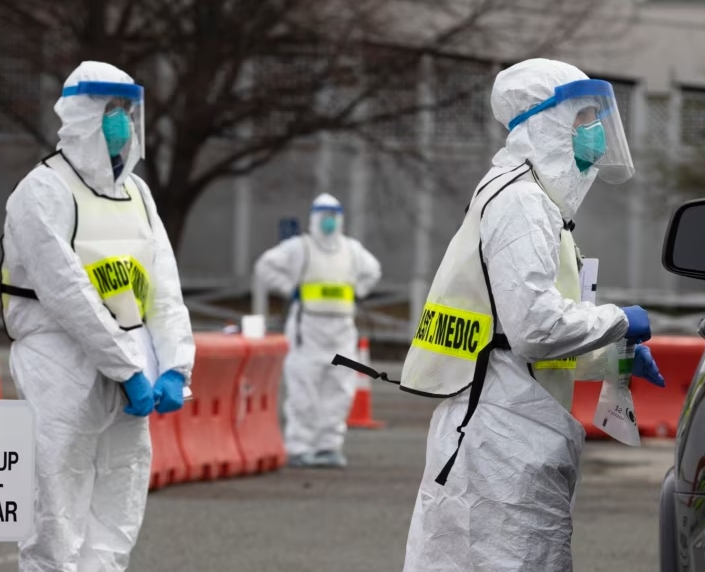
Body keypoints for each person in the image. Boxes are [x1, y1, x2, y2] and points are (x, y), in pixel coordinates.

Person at [399, 59, 665, 571]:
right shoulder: (522, 203)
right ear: (545, 121)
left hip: (512, 420)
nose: (594, 133)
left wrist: (614, 360)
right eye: (582, 117)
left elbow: (518, 332)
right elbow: (534, 329)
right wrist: (619, 320)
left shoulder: (536, 203)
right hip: (501, 433)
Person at [0, 61, 194, 571]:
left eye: (128, 110)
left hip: (129, 363)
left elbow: (164, 290)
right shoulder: (41, 192)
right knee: (55, 503)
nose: (123, 123)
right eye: (111, 110)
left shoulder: (138, 194)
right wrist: (126, 370)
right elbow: (69, 294)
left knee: (120, 493)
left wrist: (175, 364)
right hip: (59, 363)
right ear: (81, 115)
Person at [254, 193, 381, 468]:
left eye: (333, 216)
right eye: (324, 216)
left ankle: (328, 445)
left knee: (339, 389)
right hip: (307, 329)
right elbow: (265, 265)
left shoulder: (351, 250)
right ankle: (300, 447)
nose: (328, 222)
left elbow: (373, 271)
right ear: (314, 218)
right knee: (304, 388)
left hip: (341, 330)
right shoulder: (300, 248)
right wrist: (289, 289)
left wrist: (359, 291)